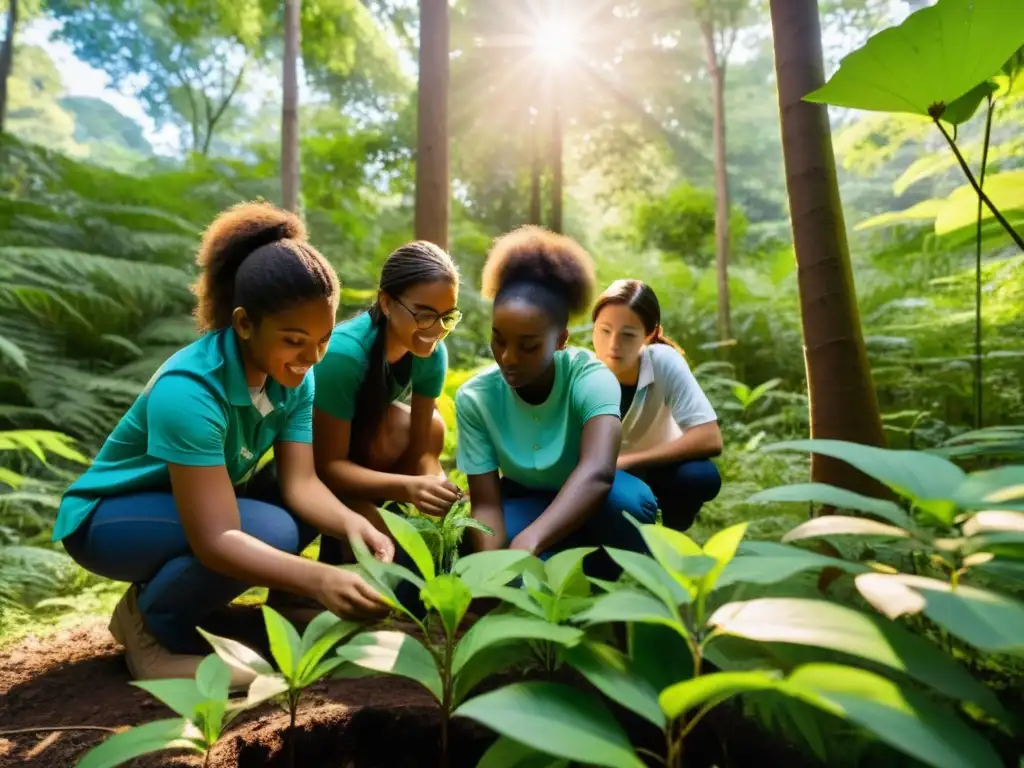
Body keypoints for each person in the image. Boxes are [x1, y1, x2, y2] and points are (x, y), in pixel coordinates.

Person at [53, 202, 394, 685]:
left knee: (282, 505)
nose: (310, 358)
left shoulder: (296, 377)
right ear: (244, 324)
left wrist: (355, 525)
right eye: (295, 340)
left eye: (322, 340)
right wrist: (319, 579)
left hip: (187, 505)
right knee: (270, 531)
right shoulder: (189, 391)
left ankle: (188, 606)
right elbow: (216, 539)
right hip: (109, 520)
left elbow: (301, 483)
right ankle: (152, 627)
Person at [454, 226, 657, 573]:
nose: (508, 358)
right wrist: (492, 569)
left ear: (561, 340)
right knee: (494, 556)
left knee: (628, 504)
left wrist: (530, 541)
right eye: (499, 340)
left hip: (595, 496)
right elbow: (486, 505)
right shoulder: (475, 398)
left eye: (529, 346)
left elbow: (597, 472)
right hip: (524, 499)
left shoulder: (589, 378)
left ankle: (608, 574)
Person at [310, 241, 464, 564]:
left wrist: (436, 486)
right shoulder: (344, 356)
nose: (435, 330)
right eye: (423, 315)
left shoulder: (431, 353)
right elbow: (326, 466)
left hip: (366, 450)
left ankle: (368, 519)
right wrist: (408, 488)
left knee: (434, 427)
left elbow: (422, 450)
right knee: (399, 547)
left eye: (446, 317)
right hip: (314, 463)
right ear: (387, 302)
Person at [591, 279, 723, 531]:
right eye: (604, 331)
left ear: (649, 335)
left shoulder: (663, 362)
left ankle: (671, 536)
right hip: (604, 474)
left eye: (628, 335)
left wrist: (630, 460)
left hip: (656, 466)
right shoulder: (582, 372)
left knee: (700, 477)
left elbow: (709, 438)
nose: (613, 344)